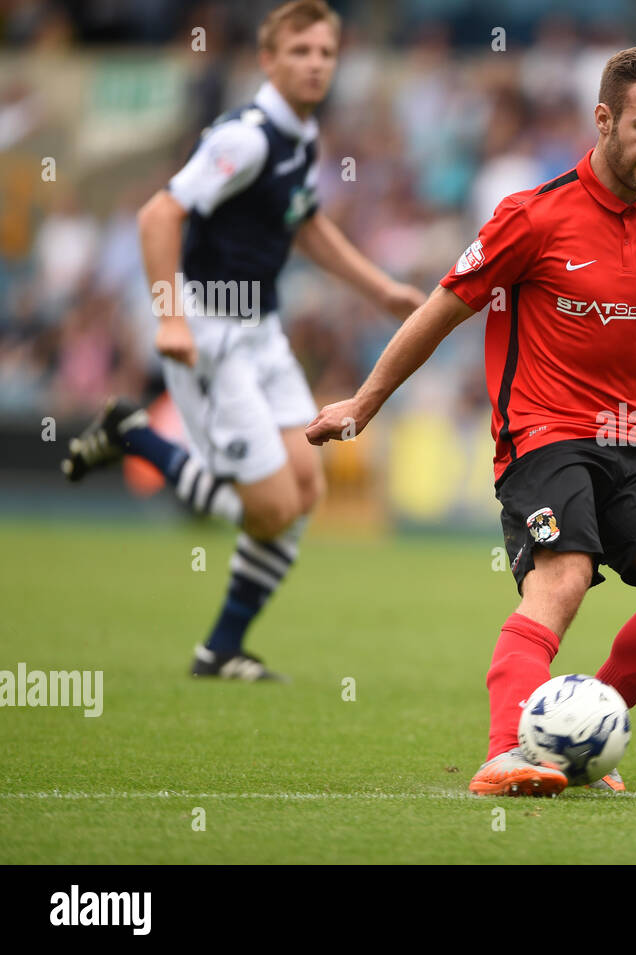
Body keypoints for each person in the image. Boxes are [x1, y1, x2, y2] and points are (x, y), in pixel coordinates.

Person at [307, 46, 636, 797]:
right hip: (544, 438)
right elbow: (438, 314)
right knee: (563, 579)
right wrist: (363, 403)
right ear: (602, 119)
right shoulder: (532, 216)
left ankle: (573, 734)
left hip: (634, 445)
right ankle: (507, 750)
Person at [61, 0, 425, 681]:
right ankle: (135, 434)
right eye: (300, 52)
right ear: (268, 59)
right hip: (207, 330)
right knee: (271, 508)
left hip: (261, 327)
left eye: (325, 53)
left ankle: (219, 649)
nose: (315, 64)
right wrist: (169, 317)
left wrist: (380, 290)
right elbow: (156, 215)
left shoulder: (300, 135)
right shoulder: (247, 137)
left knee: (306, 487)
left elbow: (303, 221)